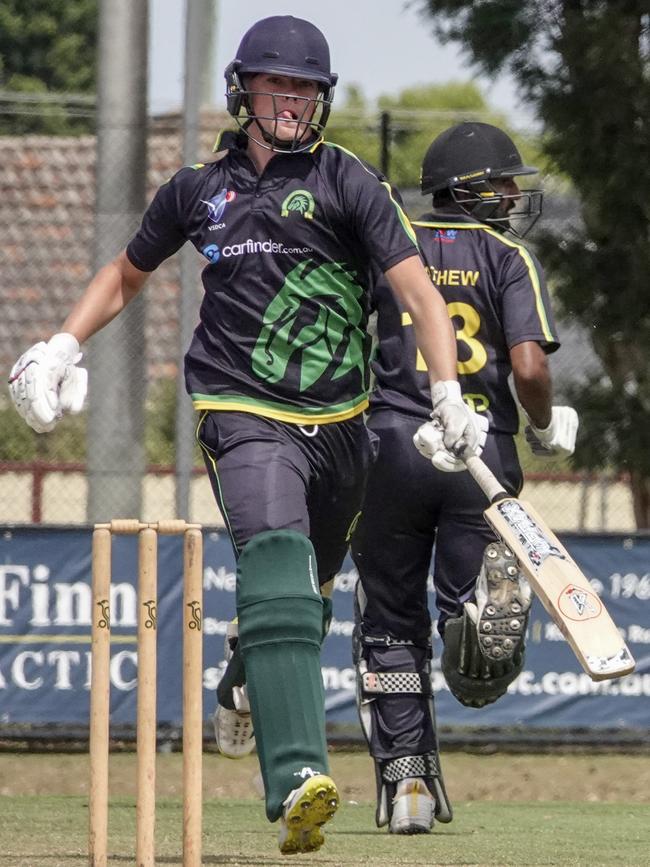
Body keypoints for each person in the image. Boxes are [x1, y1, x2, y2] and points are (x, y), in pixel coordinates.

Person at [7, 18, 485, 855]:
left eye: (306, 89)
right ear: (245, 92)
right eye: (277, 86)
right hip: (240, 409)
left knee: (310, 588)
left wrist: (446, 391)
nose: (293, 101)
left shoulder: (349, 182)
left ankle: (240, 685)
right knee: (276, 559)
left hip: (343, 427)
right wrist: (62, 343)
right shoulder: (200, 187)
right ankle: (299, 776)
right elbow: (127, 272)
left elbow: (418, 294)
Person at [350, 122, 579, 835]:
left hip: (391, 442)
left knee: (389, 621)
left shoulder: (390, 244)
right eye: (502, 184)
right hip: (482, 454)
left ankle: (408, 780)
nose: (513, 197)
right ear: (468, 189)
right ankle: (473, 614)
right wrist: (543, 425)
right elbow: (532, 368)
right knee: (467, 627)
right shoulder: (507, 255)